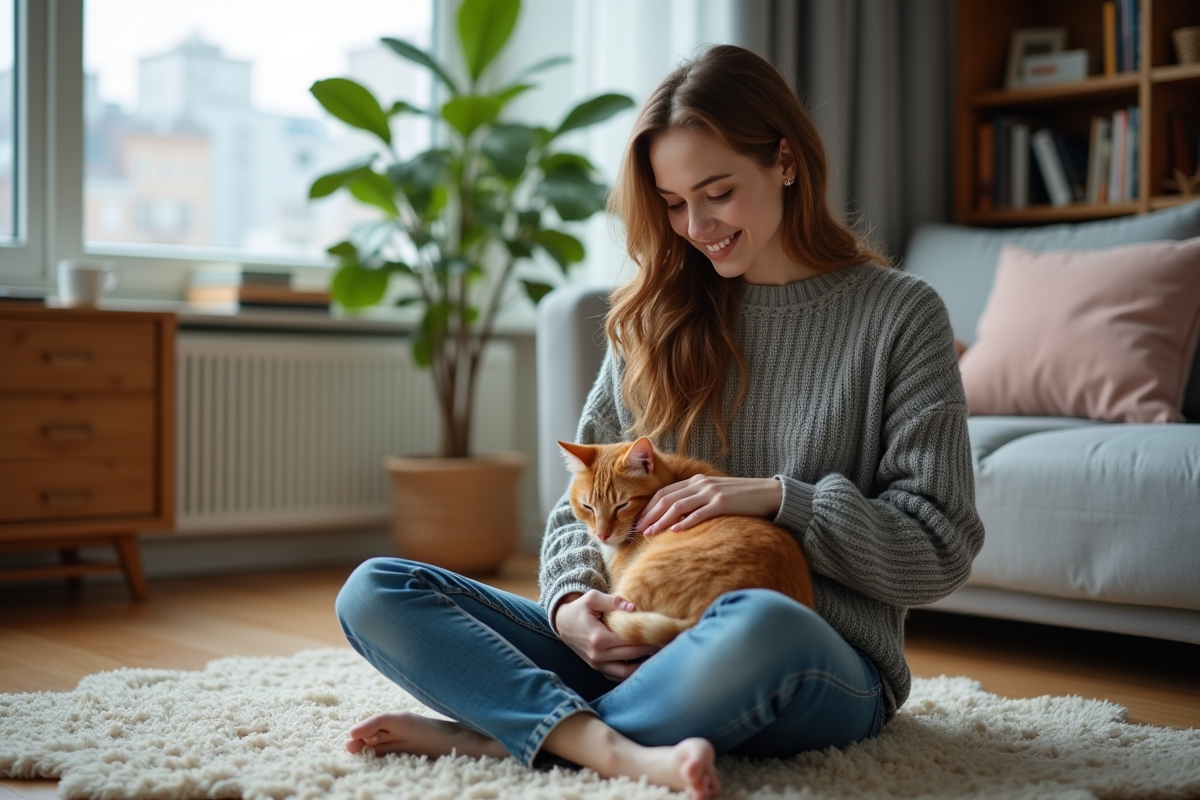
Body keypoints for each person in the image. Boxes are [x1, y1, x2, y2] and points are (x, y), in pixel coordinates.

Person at [335, 44, 984, 800]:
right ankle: (598, 741)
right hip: (636, 639)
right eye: (673, 204)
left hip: (806, 658)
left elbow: (940, 547)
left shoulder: (902, 316)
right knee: (377, 589)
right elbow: (577, 508)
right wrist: (574, 606)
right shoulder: (653, 318)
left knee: (760, 622)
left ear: (784, 161)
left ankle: (512, 730)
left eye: (716, 192)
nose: (696, 226)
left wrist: (780, 498)